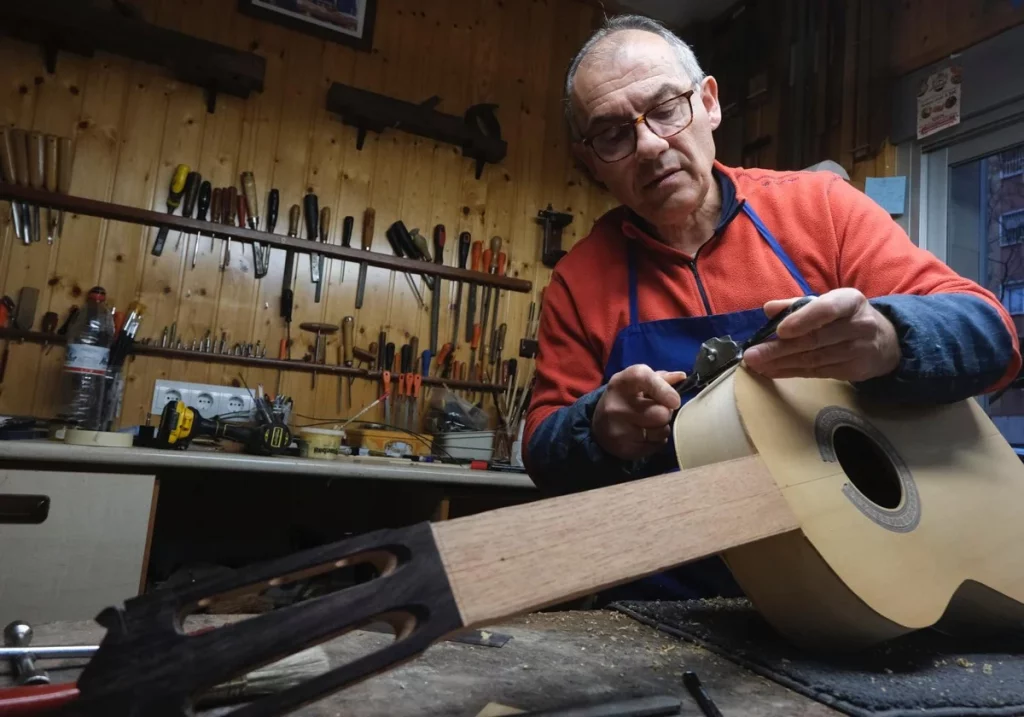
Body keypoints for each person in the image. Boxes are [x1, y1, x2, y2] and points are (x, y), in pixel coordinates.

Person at [521, 15, 1022, 600]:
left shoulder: (822, 210)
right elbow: (542, 450)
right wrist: (596, 428)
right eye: (612, 135)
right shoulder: (580, 280)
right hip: (667, 604)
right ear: (590, 162)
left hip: (859, 582)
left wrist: (889, 340)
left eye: (666, 108)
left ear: (709, 104)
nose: (650, 145)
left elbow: (992, 334)